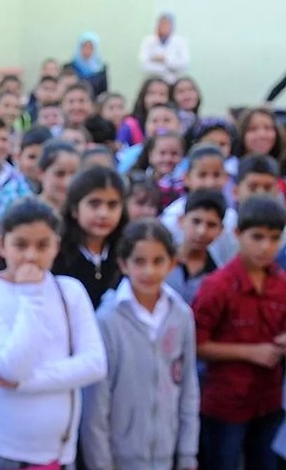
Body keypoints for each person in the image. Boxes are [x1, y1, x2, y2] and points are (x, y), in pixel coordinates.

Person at [0, 197, 106, 469]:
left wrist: (26, 384)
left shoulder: (70, 291)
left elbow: (95, 365)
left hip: (57, 450)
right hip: (0, 448)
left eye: (42, 245)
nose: (31, 255)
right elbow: (13, 366)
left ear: (56, 246)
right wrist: (30, 295)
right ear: (2, 245)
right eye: (20, 245)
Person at [81, 219, 199, 469]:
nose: (149, 271)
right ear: (124, 264)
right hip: (119, 455)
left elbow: (188, 386)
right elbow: (96, 405)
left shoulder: (182, 315)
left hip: (166, 453)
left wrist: (187, 454)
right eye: (139, 262)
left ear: (172, 263)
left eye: (158, 261)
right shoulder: (107, 320)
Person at [193, 195, 286, 470]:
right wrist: (250, 353)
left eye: (273, 238)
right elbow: (196, 344)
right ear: (237, 234)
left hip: (268, 400)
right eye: (257, 237)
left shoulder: (281, 282)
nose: (265, 247)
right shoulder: (218, 286)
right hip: (226, 403)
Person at [53, 166, 128, 309]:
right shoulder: (57, 254)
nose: (103, 214)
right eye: (94, 204)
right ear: (75, 209)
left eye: (112, 205)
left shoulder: (127, 252)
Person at [165, 189, 225, 304]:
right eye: (196, 221)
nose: (202, 231)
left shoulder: (218, 275)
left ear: (220, 230)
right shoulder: (158, 261)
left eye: (211, 225)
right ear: (181, 220)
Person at [139, 13, 190, 84]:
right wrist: (169, 69)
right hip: (152, 81)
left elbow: (184, 65)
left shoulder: (180, 42)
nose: (164, 27)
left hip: (173, 82)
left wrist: (164, 59)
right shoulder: (148, 41)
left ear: (172, 27)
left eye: (167, 25)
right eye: (162, 24)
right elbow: (144, 66)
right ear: (157, 26)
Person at [37, 139, 81, 212]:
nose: (68, 182)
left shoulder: (81, 216)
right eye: (59, 174)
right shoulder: (26, 216)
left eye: (74, 175)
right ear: (41, 173)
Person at [64, 32, 108, 96]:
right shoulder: (69, 67)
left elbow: (104, 92)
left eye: (90, 47)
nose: (87, 50)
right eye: (84, 47)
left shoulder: (101, 69)